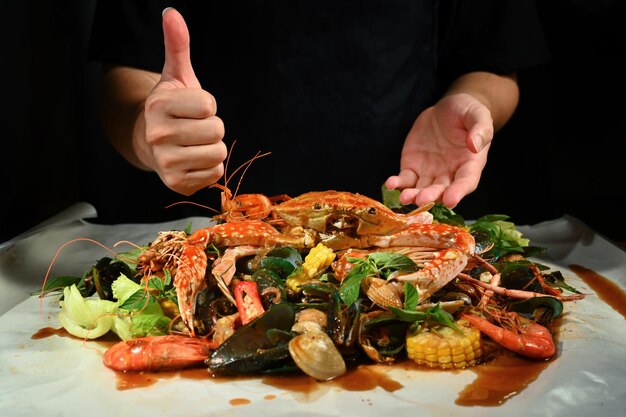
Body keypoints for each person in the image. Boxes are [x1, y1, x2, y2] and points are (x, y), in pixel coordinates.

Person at [88, 1, 549, 219]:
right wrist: (146, 134)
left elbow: (495, 63)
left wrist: (476, 104)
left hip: (406, 210)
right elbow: (124, 73)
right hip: (206, 217)